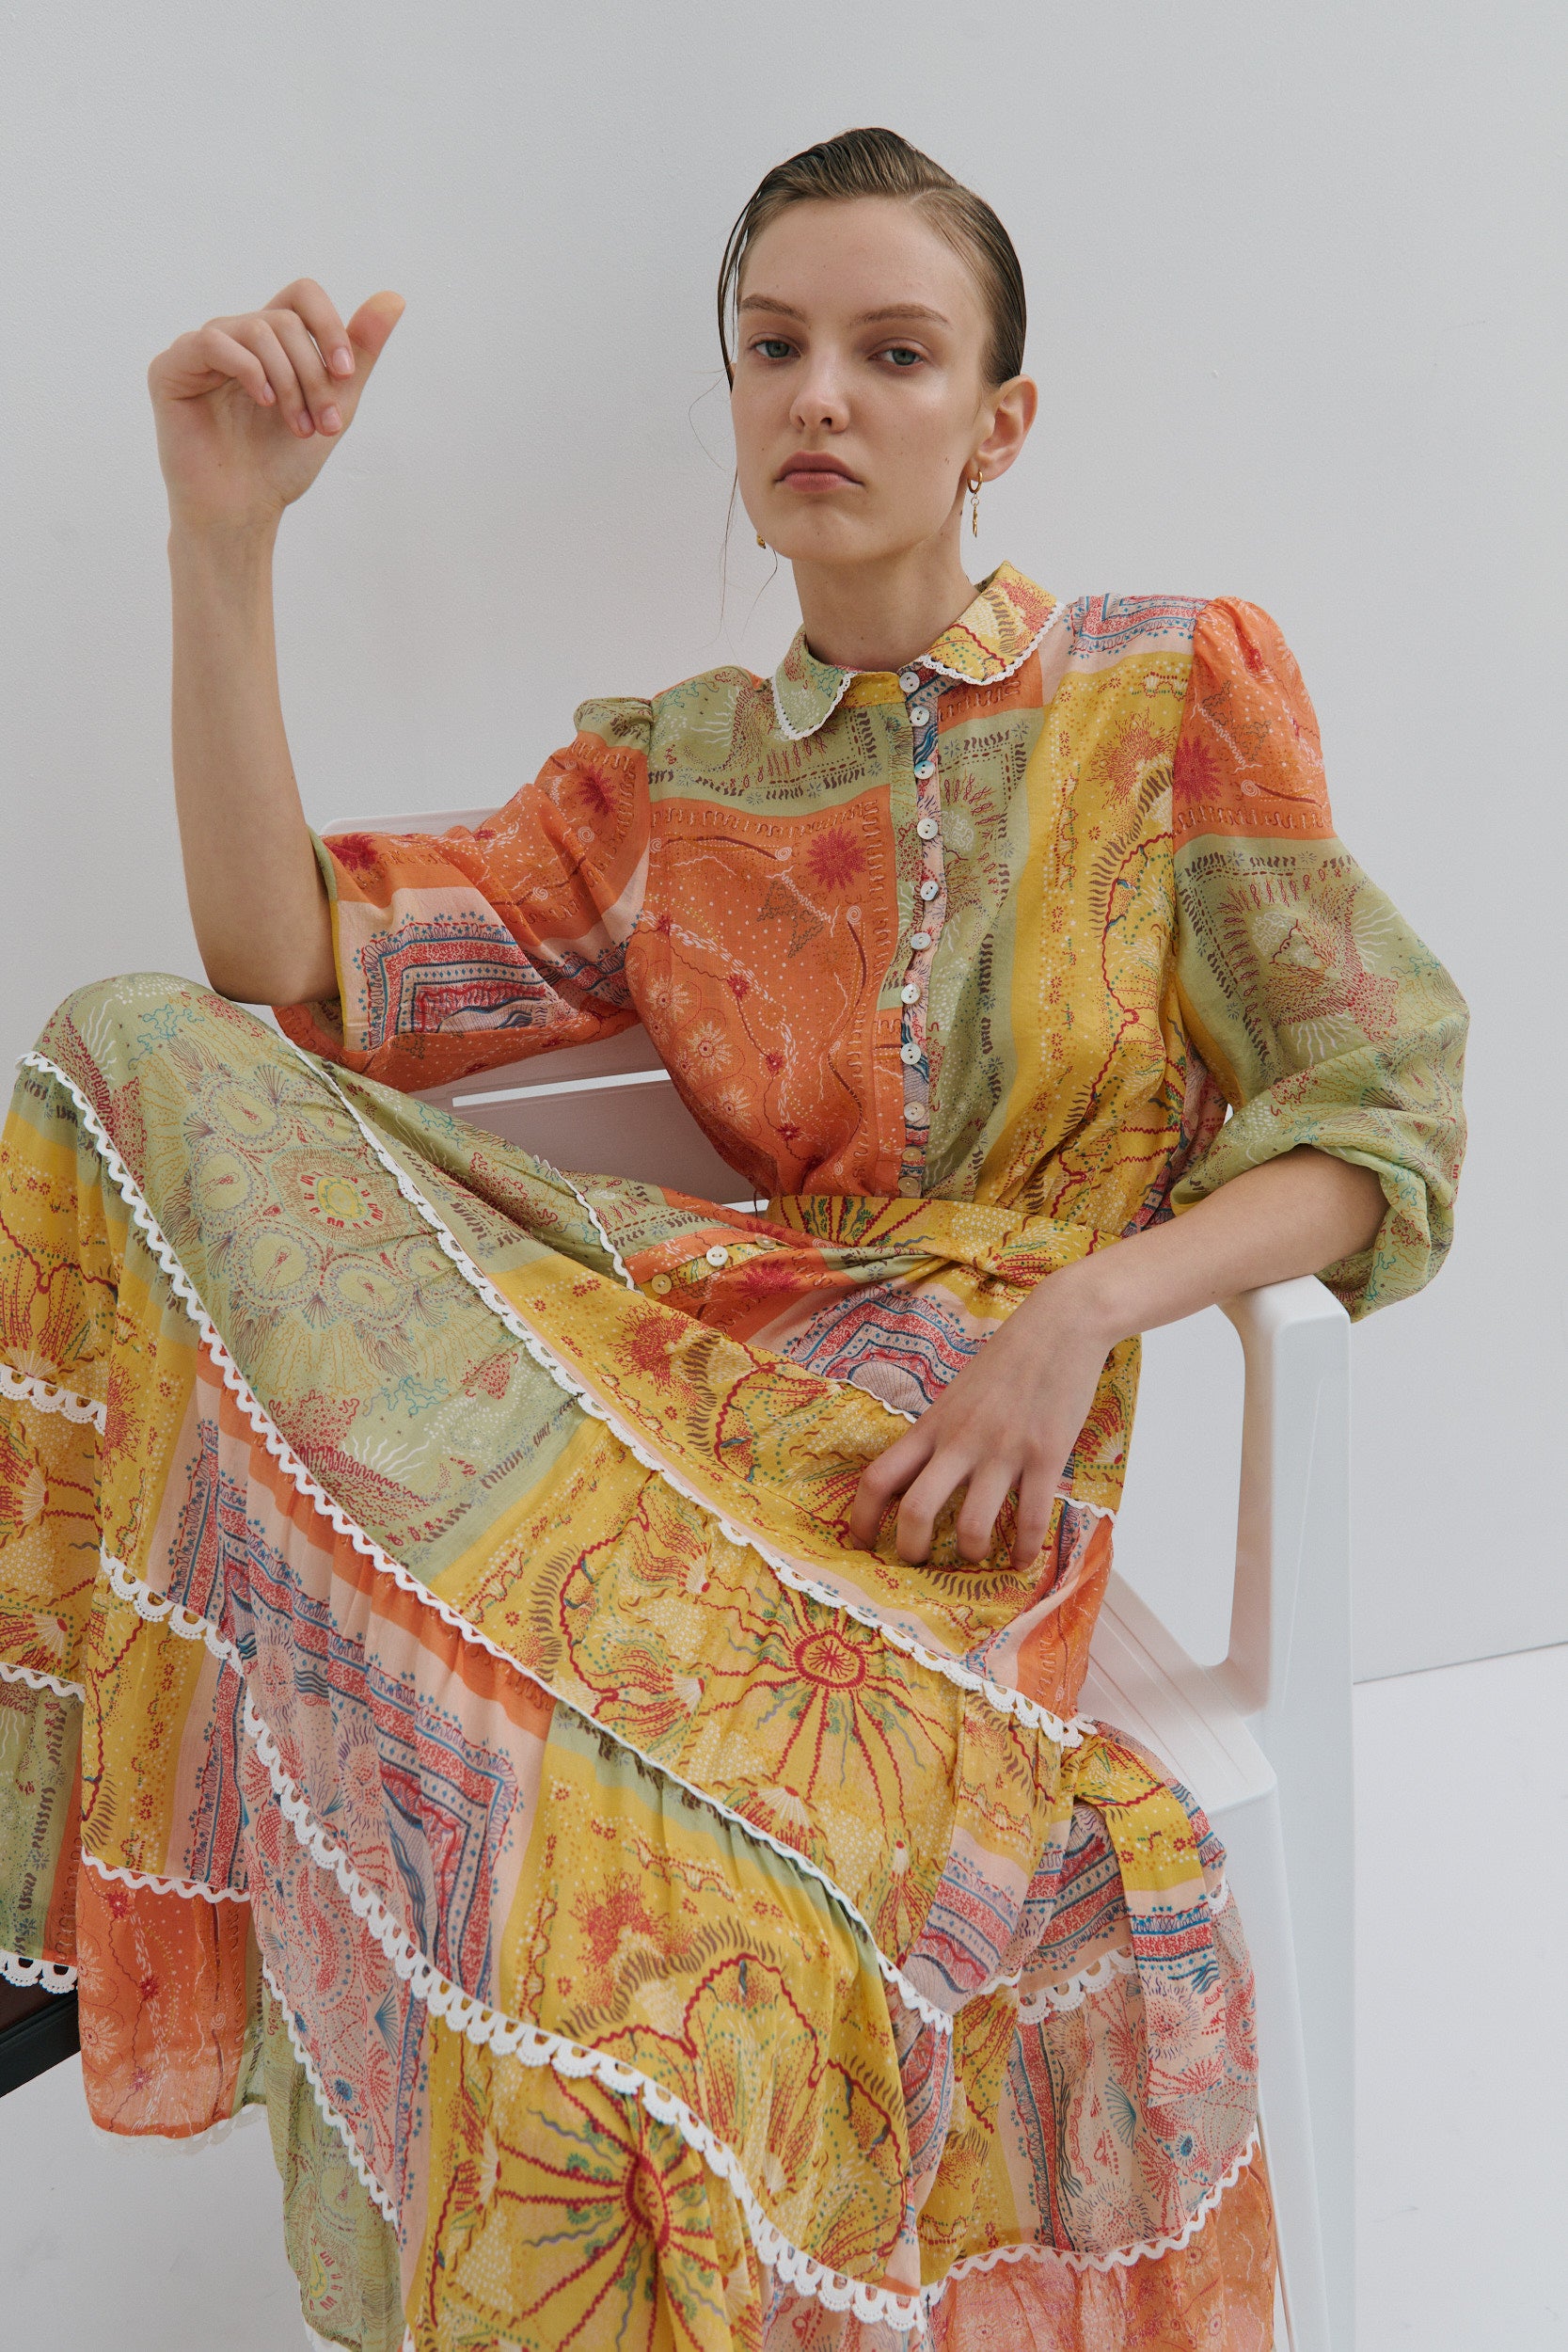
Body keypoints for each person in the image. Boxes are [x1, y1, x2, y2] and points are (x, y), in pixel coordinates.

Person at [0, 128, 1465, 2351]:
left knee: (658, 1918)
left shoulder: (1168, 696)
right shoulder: (672, 780)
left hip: (941, 1453)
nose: (822, 397)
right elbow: (289, 957)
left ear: (999, 421)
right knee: (127, 1038)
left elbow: (1379, 1123)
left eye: (895, 351)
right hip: (696, 1367)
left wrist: (1091, 1298)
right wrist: (226, 544)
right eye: (775, 346)